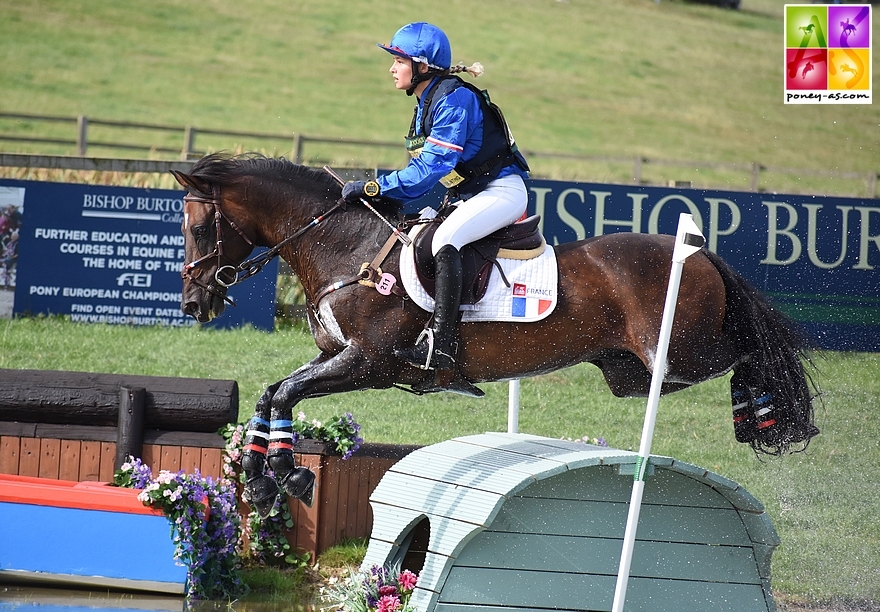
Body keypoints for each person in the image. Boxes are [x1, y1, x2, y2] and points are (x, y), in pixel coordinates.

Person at [342, 22, 530, 386]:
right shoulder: (426, 101)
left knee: (446, 241)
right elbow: (425, 175)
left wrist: (374, 187)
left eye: (399, 60)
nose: (392, 67)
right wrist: (380, 190)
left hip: (502, 191)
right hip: (469, 195)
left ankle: (441, 346)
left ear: (422, 68)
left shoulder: (453, 99)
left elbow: (432, 168)